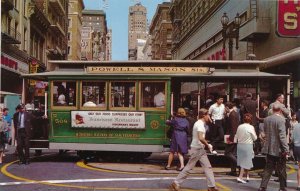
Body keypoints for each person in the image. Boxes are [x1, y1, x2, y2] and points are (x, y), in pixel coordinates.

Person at [169, 108, 219, 191]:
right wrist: (208, 145)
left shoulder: (200, 123)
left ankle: (211, 186)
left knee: (208, 167)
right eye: (208, 115)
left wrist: (205, 144)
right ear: (204, 115)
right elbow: (200, 138)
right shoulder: (199, 124)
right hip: (197, 149)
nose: (209, 117)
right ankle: (176, 182)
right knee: (189, 167)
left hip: (200, 149)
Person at [258, 103, 289, 191]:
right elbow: (282, 136)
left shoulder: (267, 119)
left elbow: (264, 133)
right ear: (280, 110)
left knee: (268, 168)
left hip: (269, 148)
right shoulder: (281, 120)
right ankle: (282, 188)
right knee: (282, 169)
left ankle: (262, 186)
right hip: (279, 149)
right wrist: (286, 149)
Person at [234, 113, 257, 183]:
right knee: (246, 161)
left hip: (240, 145)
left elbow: (236, 137)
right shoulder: (251, 127)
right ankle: (240, 177)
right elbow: (255, 138)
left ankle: (247, 176)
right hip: (248, 145)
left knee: (243, 161)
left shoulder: (239, 126)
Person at [224, 102, 239, 176]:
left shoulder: (232, 114)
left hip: (231, 136)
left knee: (227, 153)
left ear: (227, 107)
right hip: (232, 135)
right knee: (232, 153)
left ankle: (239, 164)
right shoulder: (233, 113)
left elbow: (233, 127)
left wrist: (231, 138)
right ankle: (233, 171)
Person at [291, 121, 300, 190]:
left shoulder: (295, 126)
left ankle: (299, 185)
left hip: (297, 147)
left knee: (299, 167)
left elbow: (292, 138)